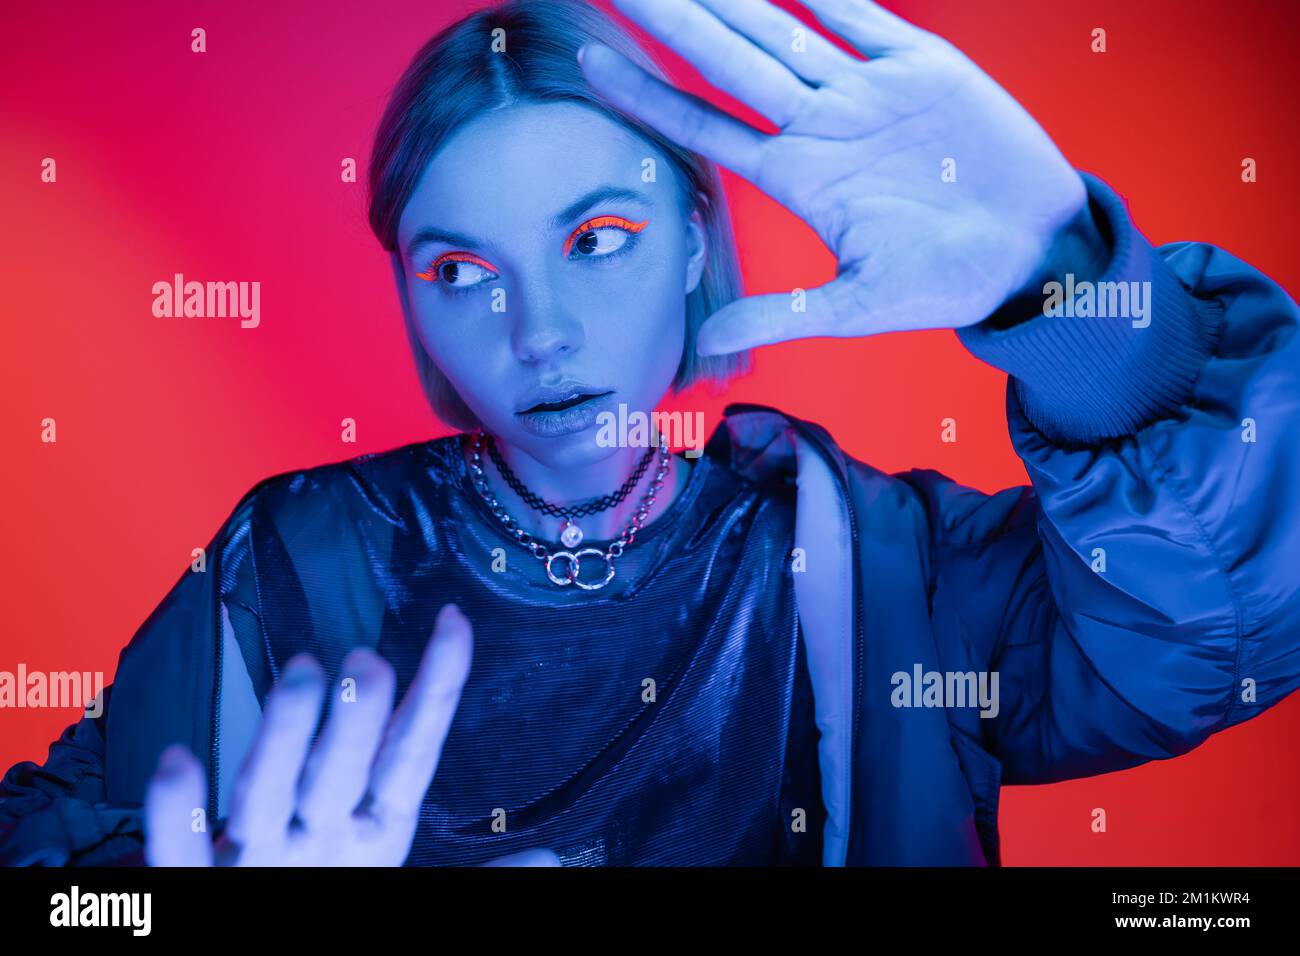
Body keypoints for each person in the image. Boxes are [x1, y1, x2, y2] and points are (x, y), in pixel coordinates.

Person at [3, 0, 1298, 867]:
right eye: (459, 270)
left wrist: (1072, 296)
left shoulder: (887, 567)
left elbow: (1220, 636)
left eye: (597, 241)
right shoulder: (291, 560)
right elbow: (56, 876)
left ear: (694, 242)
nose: (539, 333)